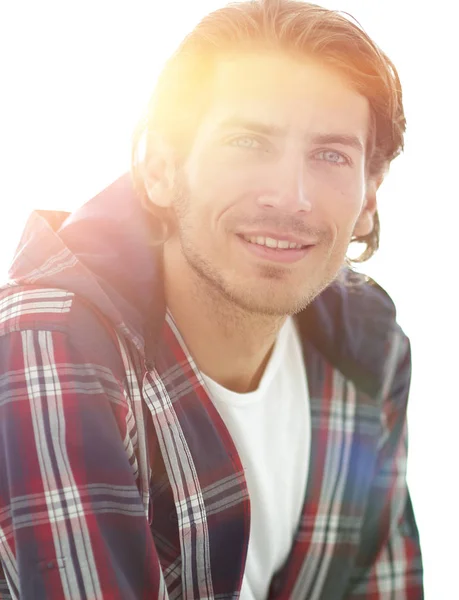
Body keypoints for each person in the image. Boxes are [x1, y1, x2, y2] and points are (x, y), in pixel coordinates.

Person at [0, 0, 423, 598]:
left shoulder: (369, 347)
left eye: (330, 155)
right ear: (162, 169)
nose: (291, 196)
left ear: (368, 197)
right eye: (248, 142)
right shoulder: (52, 336)